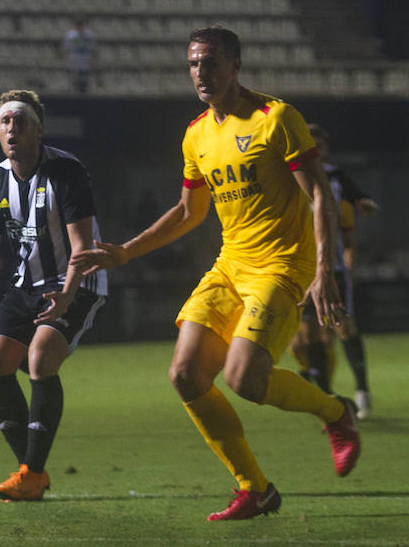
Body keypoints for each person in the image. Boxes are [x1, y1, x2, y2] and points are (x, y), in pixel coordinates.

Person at [71, 27, 361, 521]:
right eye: (193, 64)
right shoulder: (196, 134)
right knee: (185, 375)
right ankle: (255, 488)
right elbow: (189, 212)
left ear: (235, 65)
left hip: (282, 266)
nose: (200, 73)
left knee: (245, 379)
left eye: (210, 62)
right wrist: (127, 252)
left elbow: (320, 196)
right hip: (230, 266)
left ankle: (336, 413)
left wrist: (325, 272)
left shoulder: (277, 118)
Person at [0, 89, 108, 501]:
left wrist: (67, 294)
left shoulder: (66, 171)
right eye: (6, 122)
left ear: (38, 130)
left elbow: (82, 248)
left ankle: (32, 473)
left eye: (21, 121)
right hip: (27, 284)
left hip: (76, 282)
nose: (13, 128)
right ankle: (31, 471)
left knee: (40, 359)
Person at [289, 124, 378, 418]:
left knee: (343, 327)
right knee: (307, 333)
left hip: (332, 267)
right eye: (309, 144)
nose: (314, 149)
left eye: (318, 145)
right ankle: (326, 398)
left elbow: (357, 197)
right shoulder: (287, 175)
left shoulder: (335, 176)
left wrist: (364, 203)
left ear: (325, 149)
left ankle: (362, 390)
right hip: (300, 268)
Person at [61, 18, 97, 94]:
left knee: (84, 80)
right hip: (73, 60)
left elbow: (93, 49)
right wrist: (65, 59)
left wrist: (93, 60)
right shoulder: (70, 35)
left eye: (80, 24)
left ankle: (84, 93)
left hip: (85, 60)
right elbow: (66, 48)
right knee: (73, 80)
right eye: (77, 24)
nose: (79, 26)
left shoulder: (89, 35)